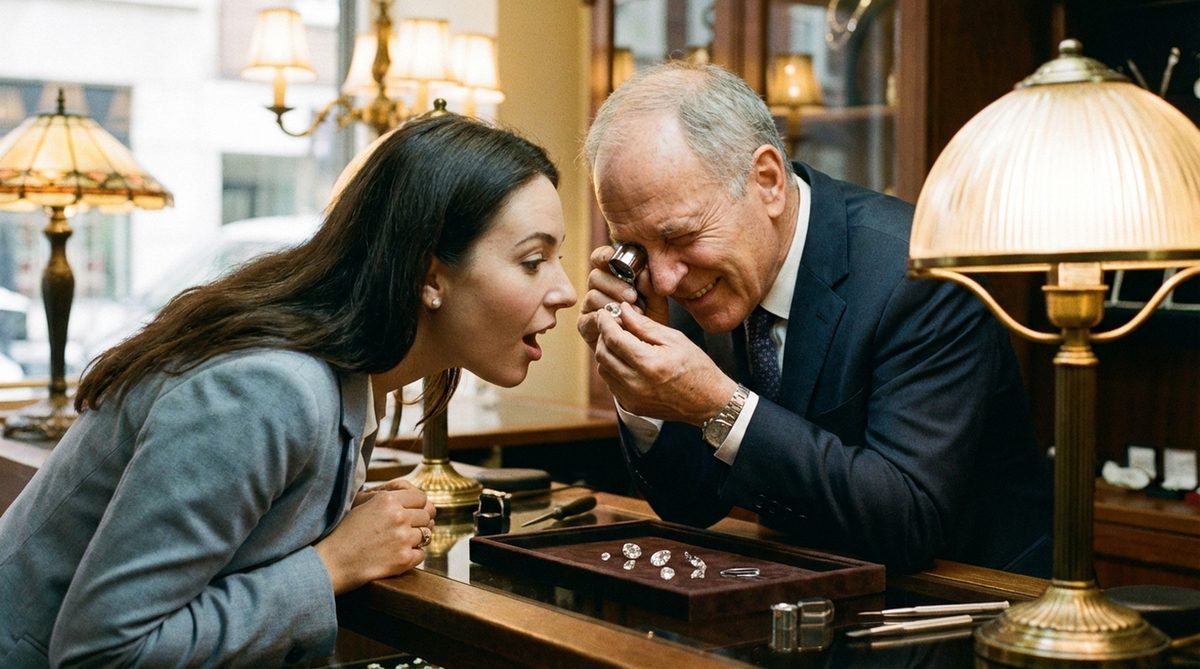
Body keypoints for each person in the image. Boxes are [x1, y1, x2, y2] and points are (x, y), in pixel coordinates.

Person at [0, 113, 577, 667]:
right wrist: (332, 563)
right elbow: (103, 652)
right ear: (430, 276)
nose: (567, 290)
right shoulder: (267, 390)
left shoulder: (348, 378)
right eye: (533, 261)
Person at [577, 61, 1051, 576]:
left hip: (971, 602)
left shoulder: (919, 273)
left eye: (680, 236)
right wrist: (639, 394)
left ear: (767, 181)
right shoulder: (684, 282)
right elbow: (693, 506)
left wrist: (722, 406)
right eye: (636, 247)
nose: (665, 279)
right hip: (813, 587)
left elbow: (907, 520)